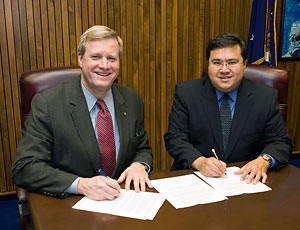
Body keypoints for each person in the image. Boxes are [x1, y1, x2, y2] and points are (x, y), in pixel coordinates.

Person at [11, 25, 153, 201]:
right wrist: (81, 185)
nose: (104, 65)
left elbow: (142, 148)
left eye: (111, 58)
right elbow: (24, 167)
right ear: (80, 59)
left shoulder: (132, 100)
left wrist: (140, 165)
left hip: (123, 202)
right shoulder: (48, 103)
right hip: (70, 206)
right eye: (95, 57)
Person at [164, 33, 292, 185]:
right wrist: (199, 162)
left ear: (244, 65)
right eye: (217, 63)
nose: (224, 70)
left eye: (232, 62)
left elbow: (281, 141)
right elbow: (175, 138)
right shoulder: (186, 92)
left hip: (244, 181)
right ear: (208, 65)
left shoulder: (264, 97)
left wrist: (263, 161)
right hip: (195, 179)